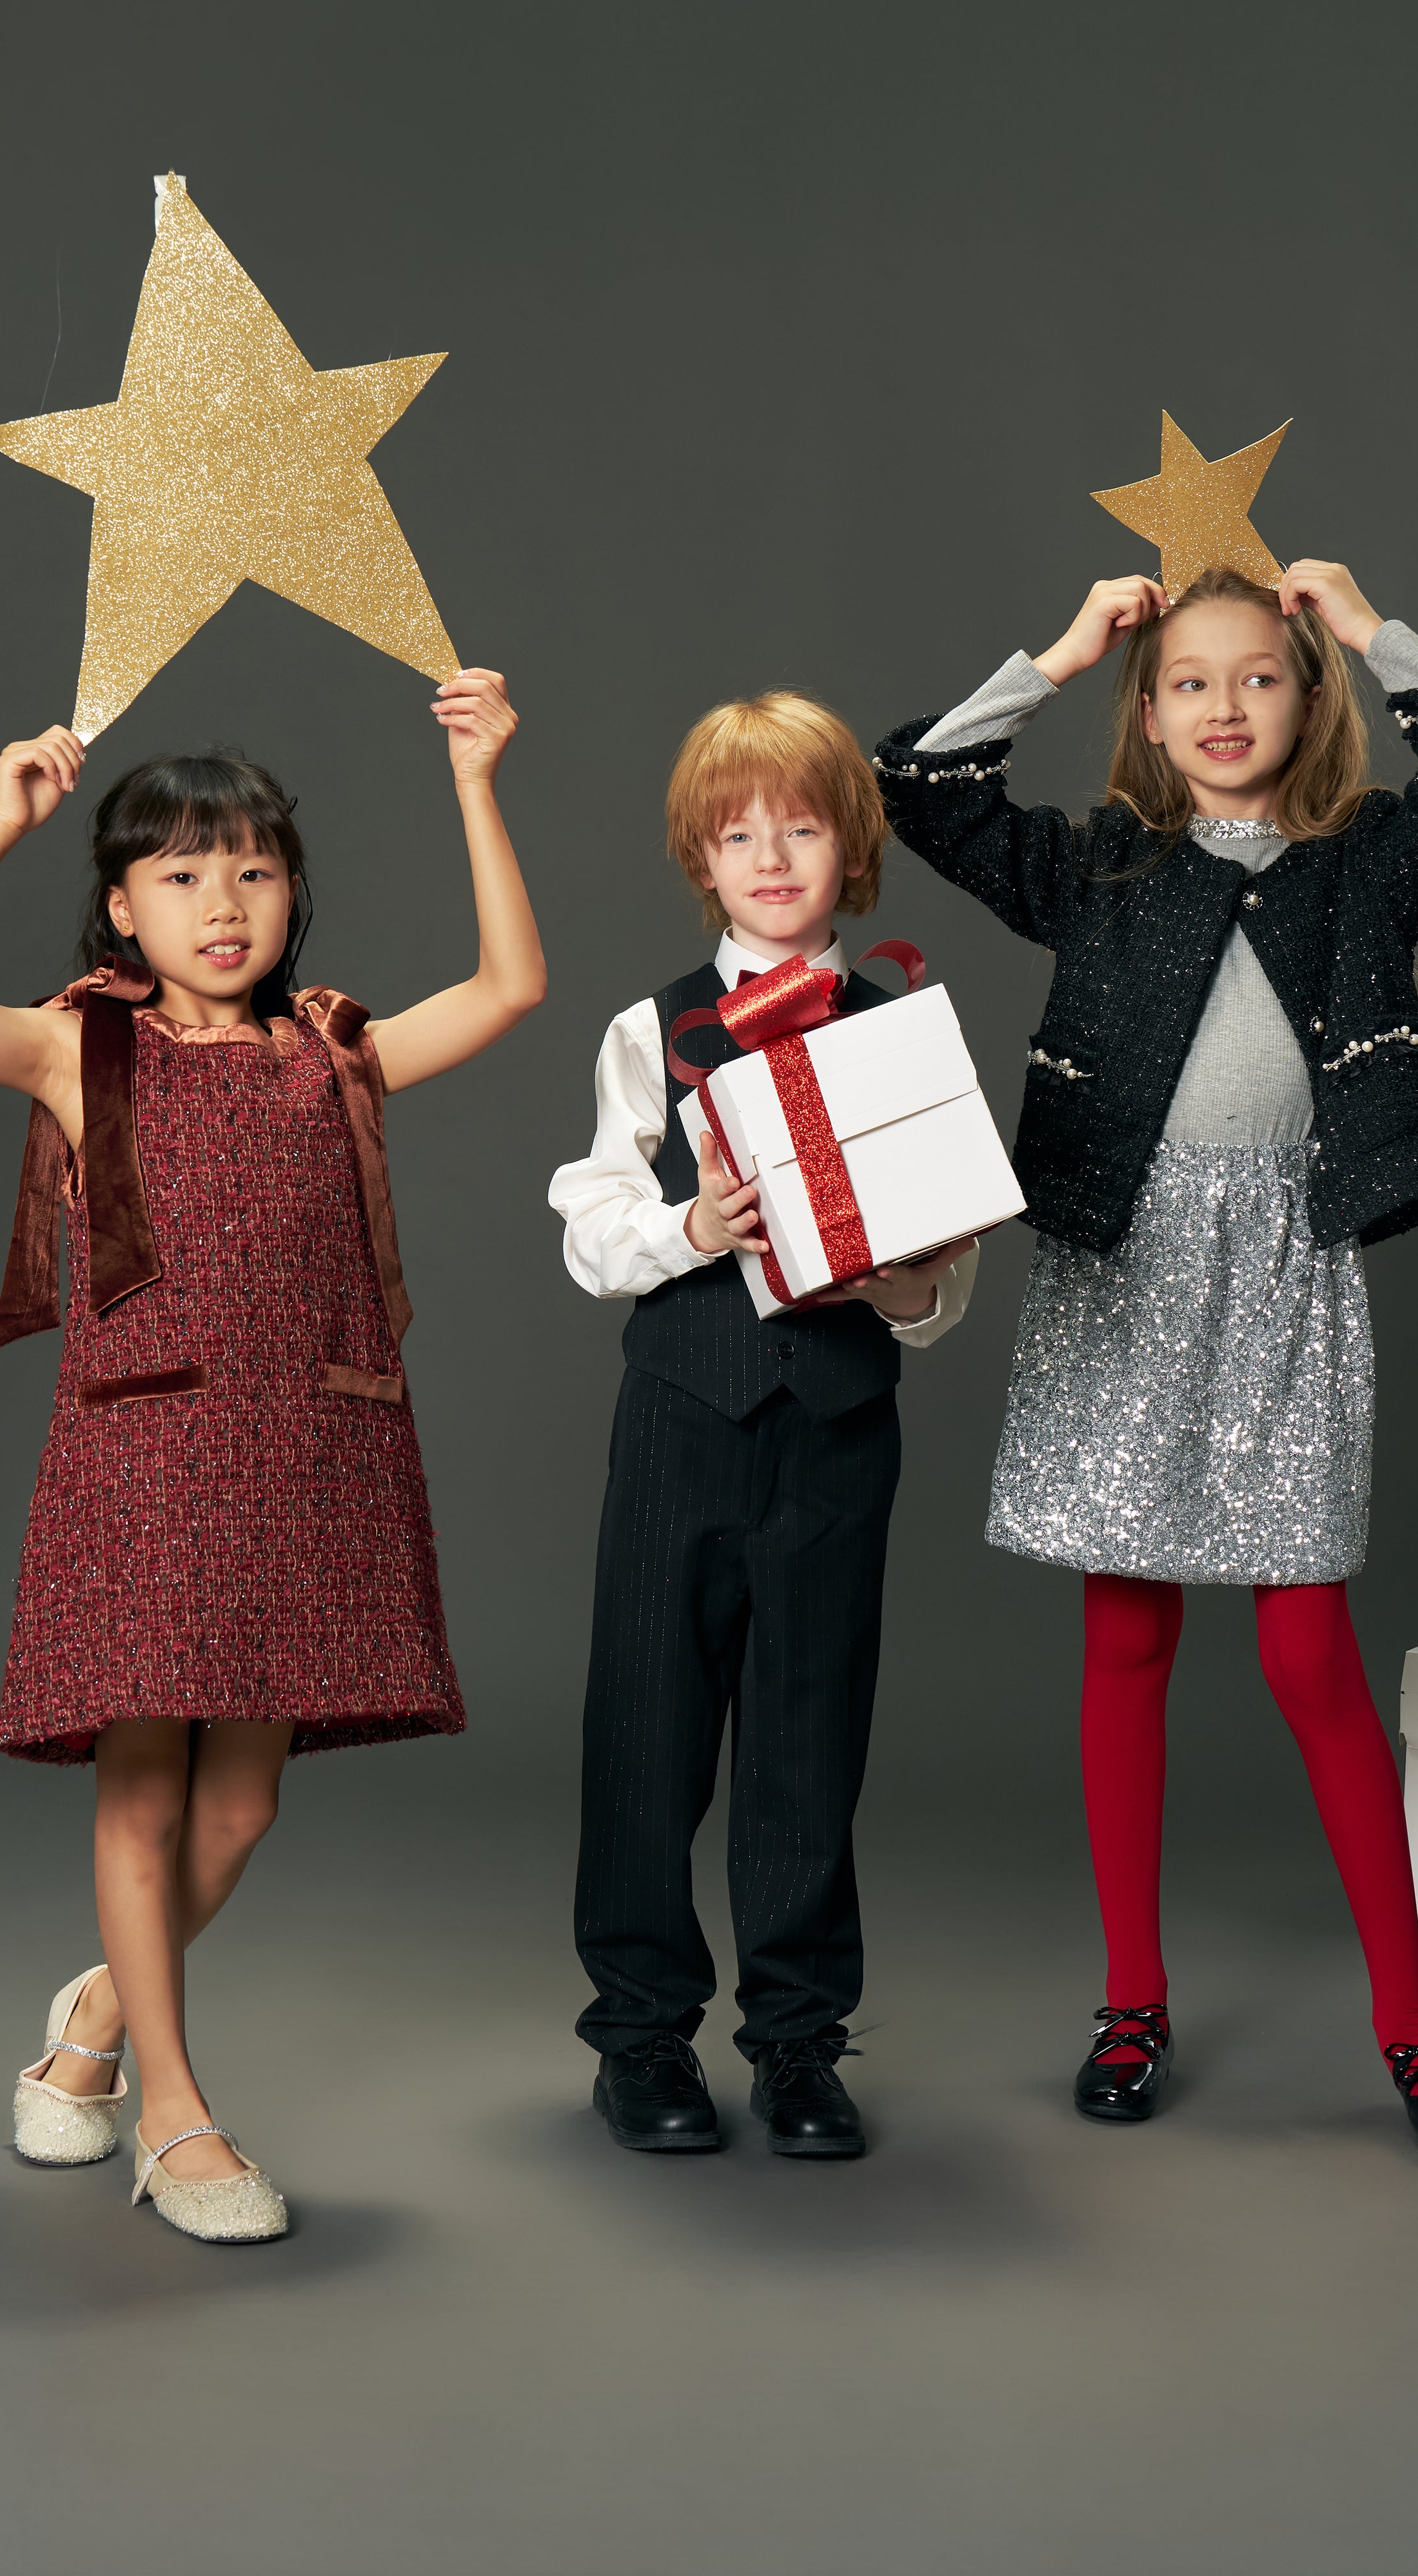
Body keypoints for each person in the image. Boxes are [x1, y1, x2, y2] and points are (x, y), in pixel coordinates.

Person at [0, 673, 543, 2238]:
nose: (222, 905)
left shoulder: (329, 1051)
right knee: (144, 1788)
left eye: (253, 870)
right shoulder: (75, 1054)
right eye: (180, 876)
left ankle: (96, 2017)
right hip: (146, 1454)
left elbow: (508, 987)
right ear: (120, 906)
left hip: (307, 1449)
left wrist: (478, 782)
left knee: (243, 1814)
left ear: (293, 892)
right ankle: (173, 2115)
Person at [872, 562, 1418, 2156]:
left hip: (1285, 1271)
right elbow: (919, 786)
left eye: (1258, 678)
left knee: (1309, 1655)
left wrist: (1372, 626)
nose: (1223, 707)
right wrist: (1061, 646)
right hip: (1124, 1264)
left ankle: (1412, 2022)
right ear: (1149, 712)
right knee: (1127, 1642)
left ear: (1309, 701)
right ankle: (1130, 1995)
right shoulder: (1098, 865)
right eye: (1186, 682)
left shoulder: (1369, 862)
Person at [549, 692, 978, 2157]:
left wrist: (911, 1283)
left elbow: (945, 1276)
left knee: (809, 1737)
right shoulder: (647, 1029)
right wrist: (692, 1221)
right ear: (702, 858)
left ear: (848, 847)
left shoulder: (902, 1027)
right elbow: (591, 1228)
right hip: (681, 1418)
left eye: (801, 825)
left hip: (840, 1426)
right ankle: (642, 2042)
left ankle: (798, 2046)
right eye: (740, 833)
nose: (773, 855)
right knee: (646, 1729)